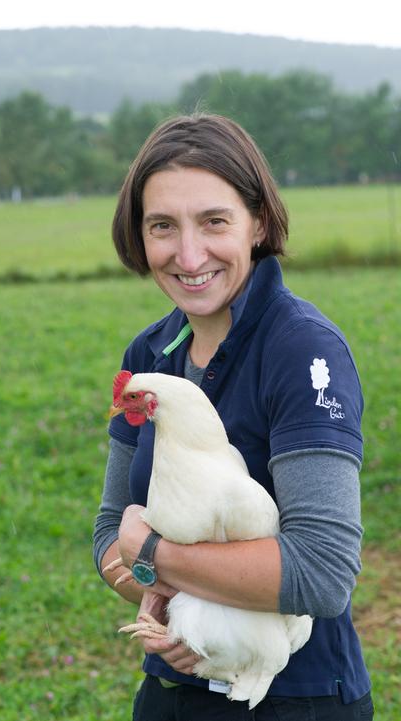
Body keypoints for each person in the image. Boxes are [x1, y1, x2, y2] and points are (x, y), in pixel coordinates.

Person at [93, 114, 373, 720]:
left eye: (214, 221)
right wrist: (160, 597)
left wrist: (154, 555)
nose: (188, 254)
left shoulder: (303, 351)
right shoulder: (149, 356)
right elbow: (109, 534)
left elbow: (323, 573)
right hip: (170, 693)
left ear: (259, 223)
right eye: (162, 226)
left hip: (292, 700)